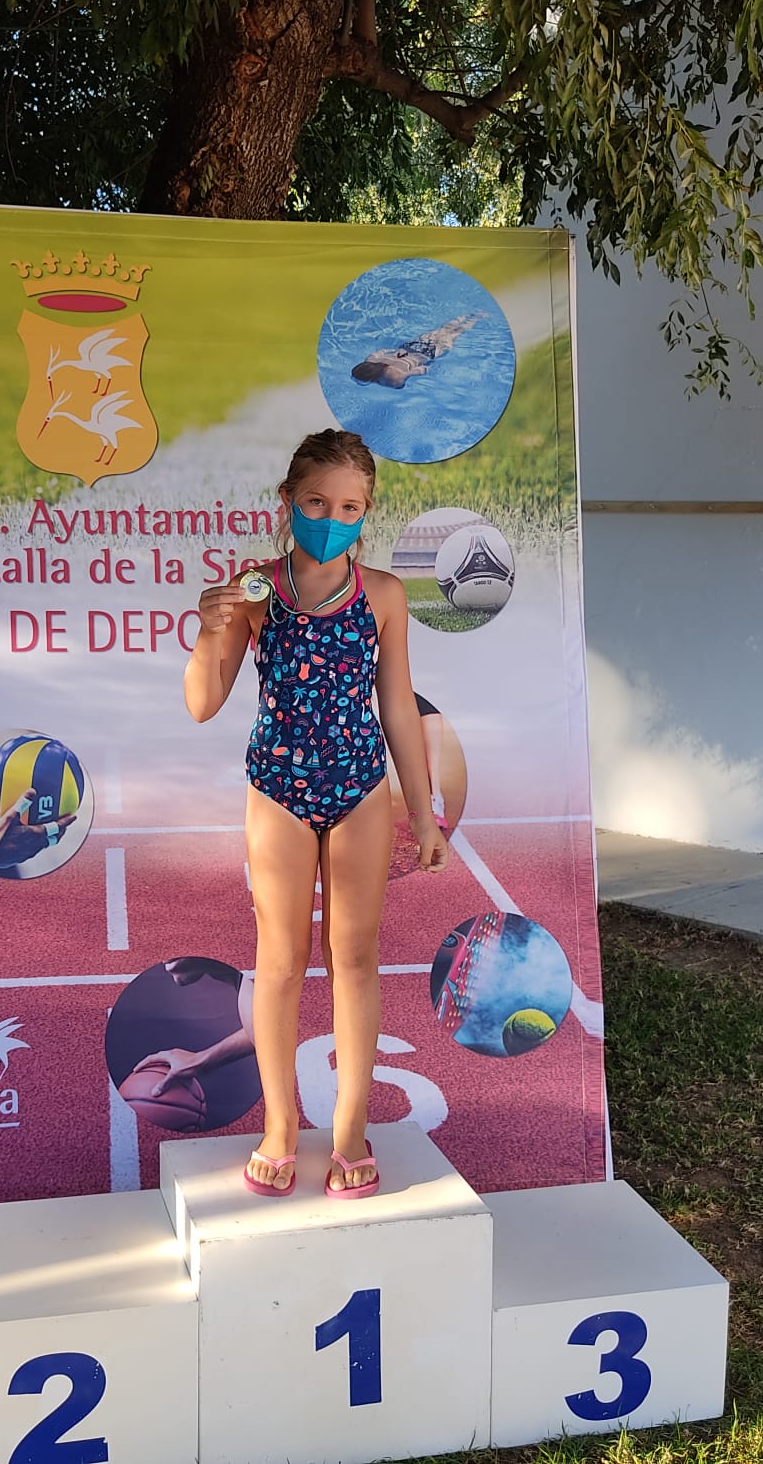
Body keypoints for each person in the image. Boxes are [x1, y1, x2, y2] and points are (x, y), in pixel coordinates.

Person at [183, 428, 448, 1198]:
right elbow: (202, 703)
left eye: (349, 507)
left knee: (355, 958)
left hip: (359, 788)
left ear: (367, 512)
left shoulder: (383, 596)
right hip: (277, 789)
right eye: (316, 503)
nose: (332, 518)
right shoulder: (255, 591)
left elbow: (397, 707)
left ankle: (351, 1129)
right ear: (288, 501)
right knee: (279, 962)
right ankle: (278, 1126)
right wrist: (210, 627)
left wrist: (422, 814)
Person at [349, 312, 483, 389]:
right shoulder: (371, 360)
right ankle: (467, 314)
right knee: (442, 330)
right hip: (410, 346)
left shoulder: (392, 378)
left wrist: (430, 368)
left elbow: (421, 370)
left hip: (427, 353)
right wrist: (394, 351)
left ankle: (477, 317)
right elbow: (382, 351)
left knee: (457, 333)